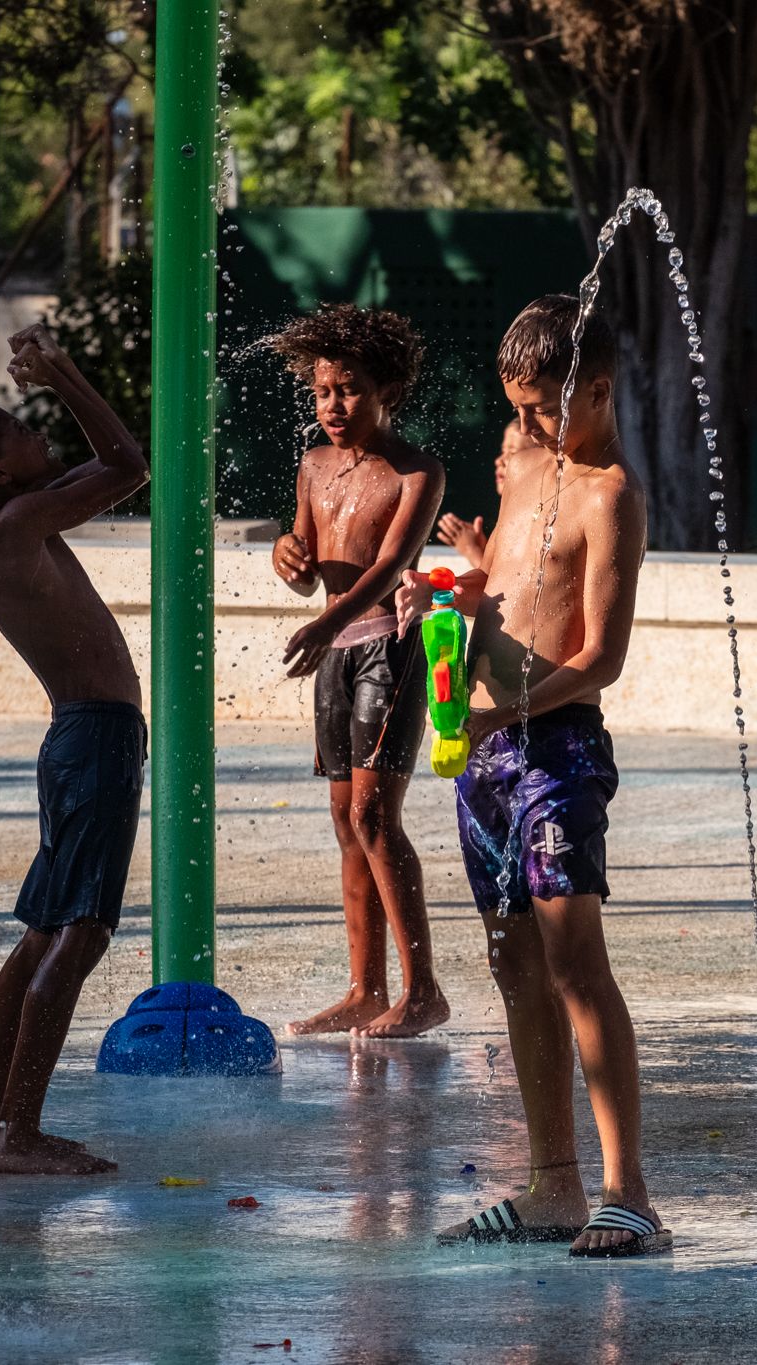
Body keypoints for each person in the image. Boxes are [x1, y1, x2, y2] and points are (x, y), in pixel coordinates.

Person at [401, 295, 668, 1257]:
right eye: (515, 405)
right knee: (512, 961)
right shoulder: (523, 469)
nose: (522, 425)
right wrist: (461, 592)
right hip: (486, 754)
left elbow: (599, 658)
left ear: (596, 391)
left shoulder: (612, 496)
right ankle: (553, 1183)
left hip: (556, 751)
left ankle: (627, 1189)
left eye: (543, 407)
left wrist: (501, 711)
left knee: (572, 960)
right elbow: (511, 594)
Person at [0, 323, 148, 1176]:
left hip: (78, 738)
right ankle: (19, 1130)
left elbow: (111, 469)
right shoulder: (15, 526)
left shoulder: (13, 524)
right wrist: (62, 374)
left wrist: (56, 387)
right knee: (78, 935)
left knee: (42, 935)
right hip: (94, 739)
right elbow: (129, 463)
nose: (38, 432)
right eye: (24, 431)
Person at [268, 303, 450, 1040]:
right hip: (335, 652)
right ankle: (365, 987)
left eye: (348, 389)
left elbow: (387, 568)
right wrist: (289, 556)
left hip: (386, 648)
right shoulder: (313, 465)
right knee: (346, 820)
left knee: (377, 815)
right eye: (322, 392)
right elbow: (312, 571)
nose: (333, 405)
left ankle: (423, 989)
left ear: (387, 392)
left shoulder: (416, 470)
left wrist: (327, 618)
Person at [436, 418, 537, 571]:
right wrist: (485, 552)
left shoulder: (534, 519)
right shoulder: (513, 514)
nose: (499, 461)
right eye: (503, 452)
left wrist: (471, 550)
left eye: (513, 453)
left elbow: (505, 586)